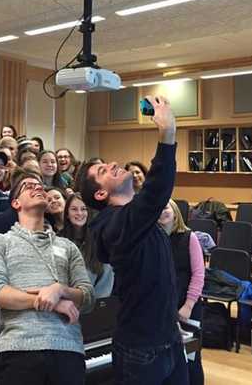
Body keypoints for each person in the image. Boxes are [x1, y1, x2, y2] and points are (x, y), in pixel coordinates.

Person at [75, 96, 184, 385]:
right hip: (141, 349)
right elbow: (155, 192)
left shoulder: (138, 218)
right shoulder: (110, 225)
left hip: (168, 338)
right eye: (102, 171)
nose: (112, 164)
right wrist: (167, 134)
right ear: (100, 195)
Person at [0, 170, 95, 385]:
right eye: (28, 186)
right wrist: (49, 302)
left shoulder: (67, 246)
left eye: (40, 185)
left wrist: (60, 289)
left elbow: (87, 296)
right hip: (19, 348)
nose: (38, 188)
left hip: (68, 348)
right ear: (15, 203)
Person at [158, 199, 205, 385]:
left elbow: (199, 274)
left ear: (175, 211)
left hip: (187, 306)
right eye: (159, 209)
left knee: (191, 359)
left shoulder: (189, 237)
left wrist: (188, 305)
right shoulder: (153, 239)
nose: (163, 212)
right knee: (170, 360)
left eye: (166, 207)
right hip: (163, 308)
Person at [59, 194, 114, 298]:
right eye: (74, 209)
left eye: (83, 209)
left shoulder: (100, 242)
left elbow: (105, 283)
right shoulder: (58, 241)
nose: (79, 213)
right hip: (63, 304)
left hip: (93, 306)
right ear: (67, 214)